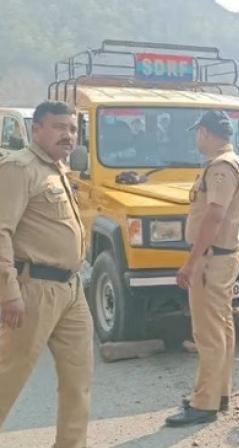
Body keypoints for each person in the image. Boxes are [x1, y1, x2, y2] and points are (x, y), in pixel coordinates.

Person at [0, 100, 92, 448]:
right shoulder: (19, 168)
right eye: (58, 127)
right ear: (36, 129)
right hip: (33, 288)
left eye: (71, 129)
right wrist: (8, 292)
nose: (67, 135)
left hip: (71, 289)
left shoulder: (58, 170)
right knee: (8, 377)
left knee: (78, 379)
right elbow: (2, 231)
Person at [166, 110, 239, 427]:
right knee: (222, 327)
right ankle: (219, 393)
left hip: (211, 259)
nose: (196, 138)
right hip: (224, 255)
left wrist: (191, 261)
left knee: (208, 334)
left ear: (204, 132)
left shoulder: (221, 167)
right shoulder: (231, 163)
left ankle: (204, 403)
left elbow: (214, 216)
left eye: (198, 133)